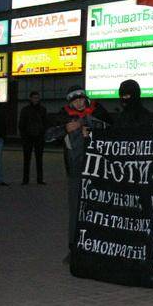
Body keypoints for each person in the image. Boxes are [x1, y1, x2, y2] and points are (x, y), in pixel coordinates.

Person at [46, 86, 111, 261]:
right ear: (70, 103)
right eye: (75, 101)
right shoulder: (64, 115)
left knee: (98, 210)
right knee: (75, 211)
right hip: (75, 171)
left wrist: (88, 127)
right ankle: (74, 248)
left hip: (98, 172)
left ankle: (99, 247)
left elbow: (112, 129)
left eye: (81, 99)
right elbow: (48, 135)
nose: (79, 103)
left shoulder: (98, 111)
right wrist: (66, 129)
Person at [18, 91, 48, 185]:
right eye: (34, 98)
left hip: (39, 138)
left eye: (37, 98)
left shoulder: (42, 109)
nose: (36, 99)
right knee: (27, 159)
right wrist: (24, 136)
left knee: (39, 159)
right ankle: (25, 179)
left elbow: (45, 123)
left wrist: (43, 134)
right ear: (30, 98)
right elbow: (21, 124)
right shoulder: (25, 110)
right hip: (28, 138)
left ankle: (40, 179)